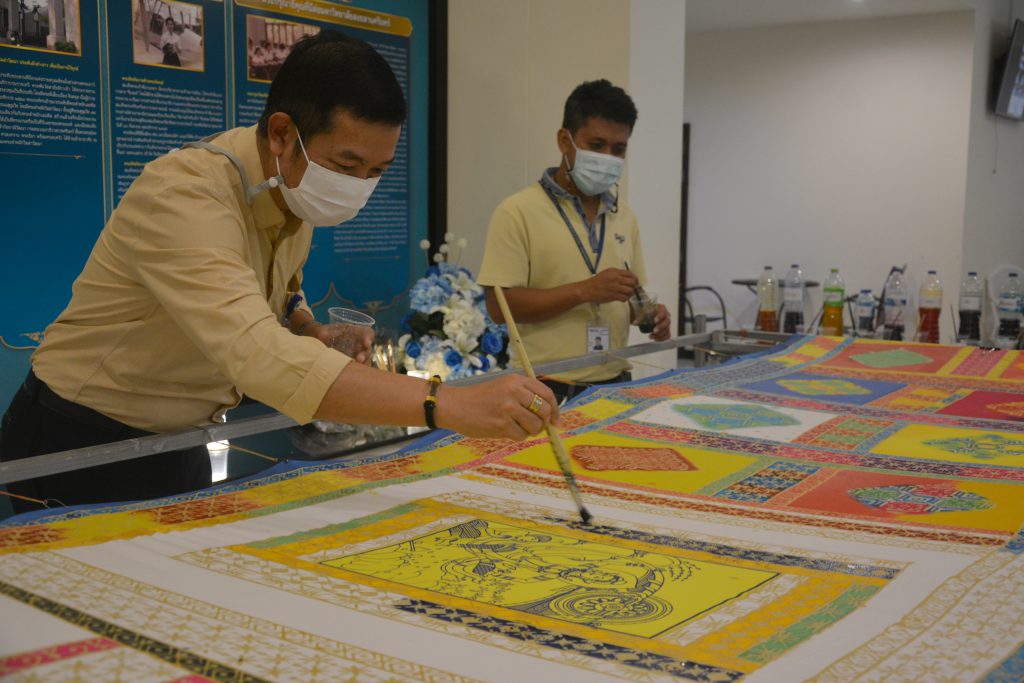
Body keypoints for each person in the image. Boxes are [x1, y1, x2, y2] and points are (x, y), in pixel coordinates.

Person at [0, 30, 556, 514]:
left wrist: (307, 327)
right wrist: (445, 402)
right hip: (79, 439)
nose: (359, 186)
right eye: (347, 165)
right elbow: (256, 355)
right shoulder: (185, 194)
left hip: (180, 441)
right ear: (283, 134)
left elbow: (279, 287)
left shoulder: (290, 187)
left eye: (377, 171)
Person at [478, 79, 671, 405]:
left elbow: (627, 300)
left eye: (619, 149)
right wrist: (584, 291)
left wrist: (650, 313)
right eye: (596, 145)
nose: (608, 158)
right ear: (564, 141)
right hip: (545, 387)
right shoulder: (517, 211)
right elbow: (499, 308)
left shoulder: (624, 216)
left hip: (616, 385)